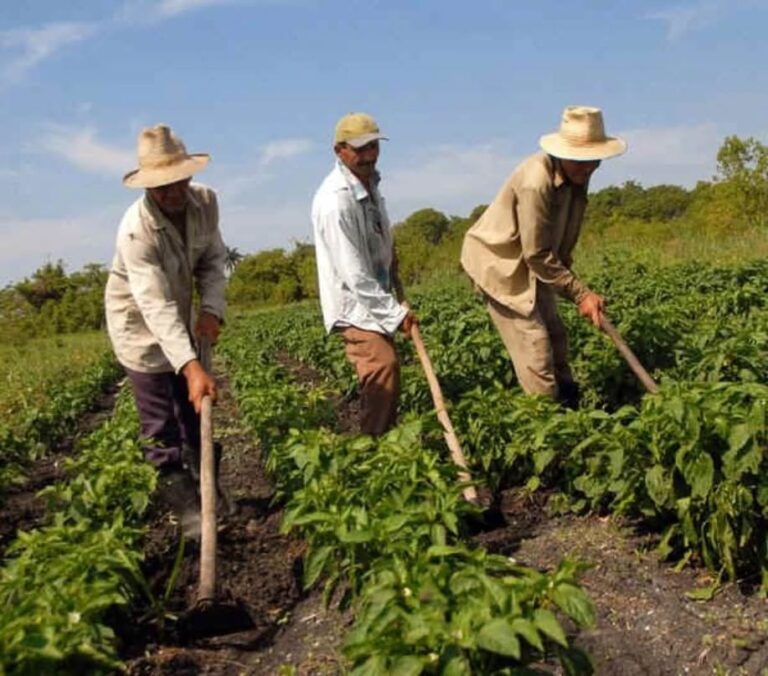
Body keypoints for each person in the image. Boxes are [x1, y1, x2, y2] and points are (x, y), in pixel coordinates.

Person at [460, 106, 627, 408]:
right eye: (582, 160)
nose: (589, 168)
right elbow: (535, 253)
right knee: (535, 347)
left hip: (534, 262)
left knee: (557, 337)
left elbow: (558, 237)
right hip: (500, 265)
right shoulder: (536, 180)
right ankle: (546, 428)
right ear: (564, 153)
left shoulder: (580, 172)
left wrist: (569, 277)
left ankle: (570, 408)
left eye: (594, 160)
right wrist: (580, 294)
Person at [105, 124, 227, 532]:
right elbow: (154, 305)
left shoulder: (205, 202)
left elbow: (212, 260)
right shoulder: (136, 229)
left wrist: (211, 309)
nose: (173, 194)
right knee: (160, 423)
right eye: (162, 188)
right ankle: (190, 516)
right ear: (148, 188)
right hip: (139, 325)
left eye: (179, 182)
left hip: (180, 313)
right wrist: (192, 367)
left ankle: (210, 493)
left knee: (193, 412)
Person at [311, 112, 416, 435]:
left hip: (377, 294)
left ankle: (383, 437)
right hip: (355, 306)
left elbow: (378, 234)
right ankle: (374, 454)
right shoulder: (335, 202)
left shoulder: (369, 182)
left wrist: (391, 260)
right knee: (382, 367)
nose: (369, 154)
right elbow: (354, 274)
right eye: (360, 148)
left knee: (386, 374)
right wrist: (395, 315)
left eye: (373, 145)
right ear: (339, 150)